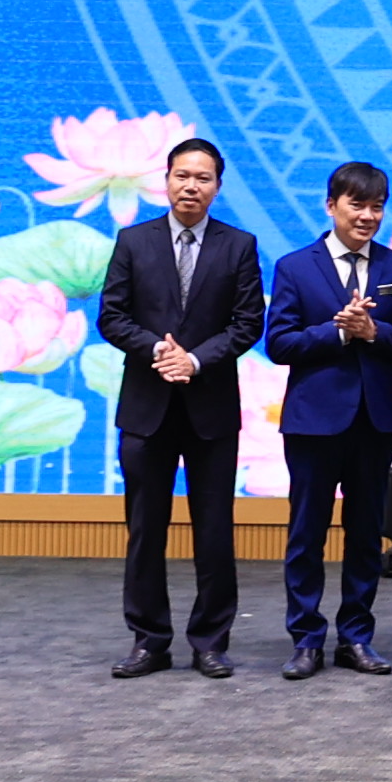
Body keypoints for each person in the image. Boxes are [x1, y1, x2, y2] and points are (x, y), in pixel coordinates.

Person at [96, 134, 263, 677]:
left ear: (217, 186)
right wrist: (157, 351)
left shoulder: (238, 245)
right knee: (146, 530)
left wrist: (194, 360)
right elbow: (112, 316)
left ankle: (210, 641)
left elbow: (247, 324)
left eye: (203, 178)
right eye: (182, 176)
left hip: (211, 408)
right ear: (166, 180)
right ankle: (149, 640)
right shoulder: (133, 241)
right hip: (146, 409)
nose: (191, 186)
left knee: (213, 530)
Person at [261, 158, 392, 674]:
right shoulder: (295, 266)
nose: (367, 216)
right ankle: (306, 639)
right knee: (306, 532)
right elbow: (279, 344)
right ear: (332, 205)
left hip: (375, 420)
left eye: (377, 207)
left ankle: (356, 636)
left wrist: (373, 333)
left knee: (365, 532)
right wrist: (336, 332)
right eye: (357, 205)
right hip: (313, 421)